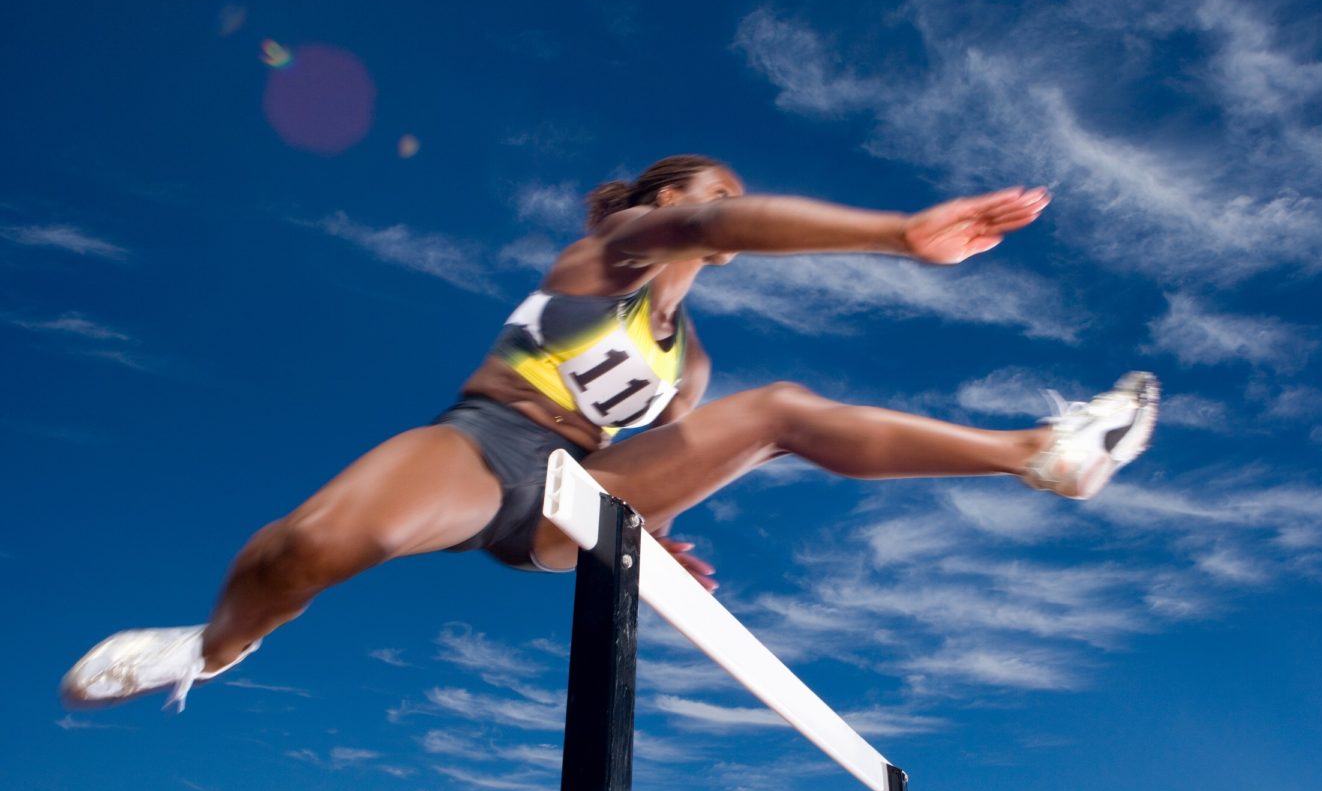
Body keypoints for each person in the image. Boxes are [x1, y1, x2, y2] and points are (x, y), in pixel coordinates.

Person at [60, 155, 1158, 711]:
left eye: (733, 196)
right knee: (306, 549)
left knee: (775, 414)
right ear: (657, 201)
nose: (724, 203)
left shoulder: (694, 362)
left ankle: (1037, 451)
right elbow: (712, 220)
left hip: (579, 500)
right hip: (486, 447)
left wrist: (649, 541)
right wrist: (897, 232)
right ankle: (211, 645)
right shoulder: (614, 253)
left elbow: (661, 467)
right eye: (706, 190)